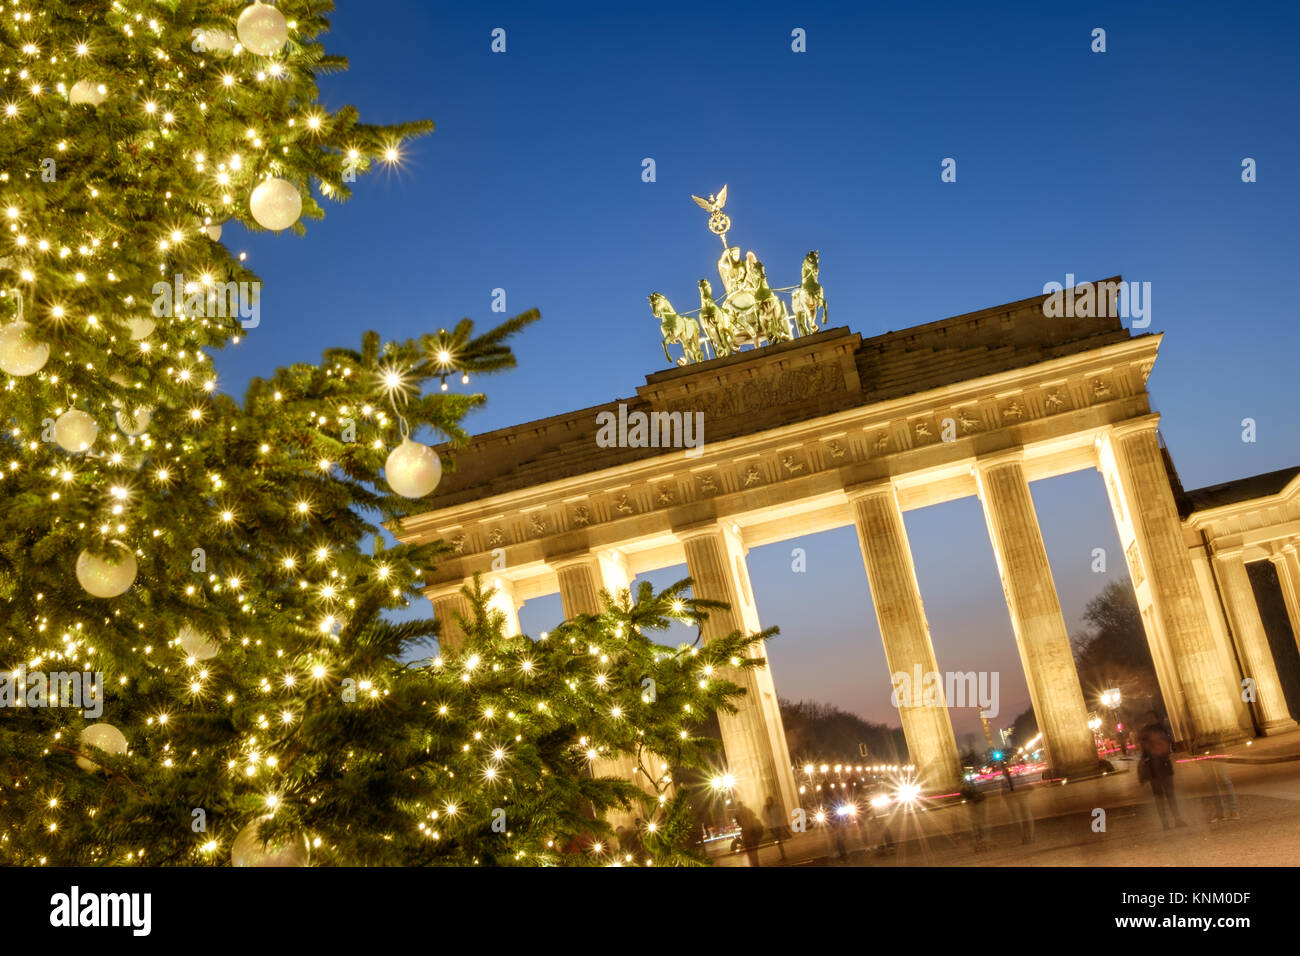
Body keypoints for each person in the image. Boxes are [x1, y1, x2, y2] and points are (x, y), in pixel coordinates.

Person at [1138, 710, 1186, 829]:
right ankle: (1173, 820)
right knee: (1166, 796)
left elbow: (1144, 750)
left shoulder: (1147, 732)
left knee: (1161, 796)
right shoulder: (1161, 729)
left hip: (1157, 766)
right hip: (1159, 766)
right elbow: (1168, 745)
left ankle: (1168, 822)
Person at [1001, 762, 1035, 844]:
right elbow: (1029, 786)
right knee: (1027, 816)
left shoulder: (1004, 780)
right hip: (1022, 796)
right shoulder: (1019, 776)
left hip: (1012, 799)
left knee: (1017, 818)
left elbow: (1003, 793)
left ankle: (1024, 837)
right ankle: (1030, 836)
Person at [959, 777, 988, 852]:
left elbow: (964, 795)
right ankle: (982, 843)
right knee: (980, 824)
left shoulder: (966, 788)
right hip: (977, 803)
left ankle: (979, 843)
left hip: (975, 803)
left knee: (976, 824)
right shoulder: (973, 785)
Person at [733, 800, 764, 867]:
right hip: (751, 833)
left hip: (748, 834)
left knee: (749, 851)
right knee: (754, 851)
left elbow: (738, 822)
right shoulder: (747, 810)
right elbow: (754, 815)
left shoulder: (738, 813)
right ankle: (756, 864)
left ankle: (754, 864)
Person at [762, 794, 787, 862]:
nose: (768, 802)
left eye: (769, 800)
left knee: (778, 840)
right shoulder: (765, 808)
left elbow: (781, 814)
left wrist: (780, 822)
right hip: (771, 826)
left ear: (771, 800)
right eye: (767, 801)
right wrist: (767, 821)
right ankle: (783, 854)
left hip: (777, 826)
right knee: (777, 841)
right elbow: (763, 816)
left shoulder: (776, 806)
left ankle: (783, 855)